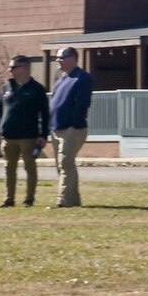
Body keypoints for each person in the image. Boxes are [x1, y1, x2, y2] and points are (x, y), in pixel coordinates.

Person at [0, 55, 49, 208]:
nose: (10, 70)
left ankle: (29, 200)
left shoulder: (37, 89)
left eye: (13, 67)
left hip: (28, 137)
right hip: (8, 137)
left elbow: (45, 114)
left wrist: (43, 135)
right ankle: (8, 200)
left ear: (24, 68)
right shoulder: (6, 88)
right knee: (9, 169)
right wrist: (0, 125)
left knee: (29, 167)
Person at [48, 47, 94, 208]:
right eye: (57, 58)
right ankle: (74, 200)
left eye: (62, 57)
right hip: (57, 128)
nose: (58, 60)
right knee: (62, 165)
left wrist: (75, 124)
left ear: (74, 58)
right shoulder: (61, 78)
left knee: (65, 163)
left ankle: (64, 200)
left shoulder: (82, 77)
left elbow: (83, 103)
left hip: (72, 129)